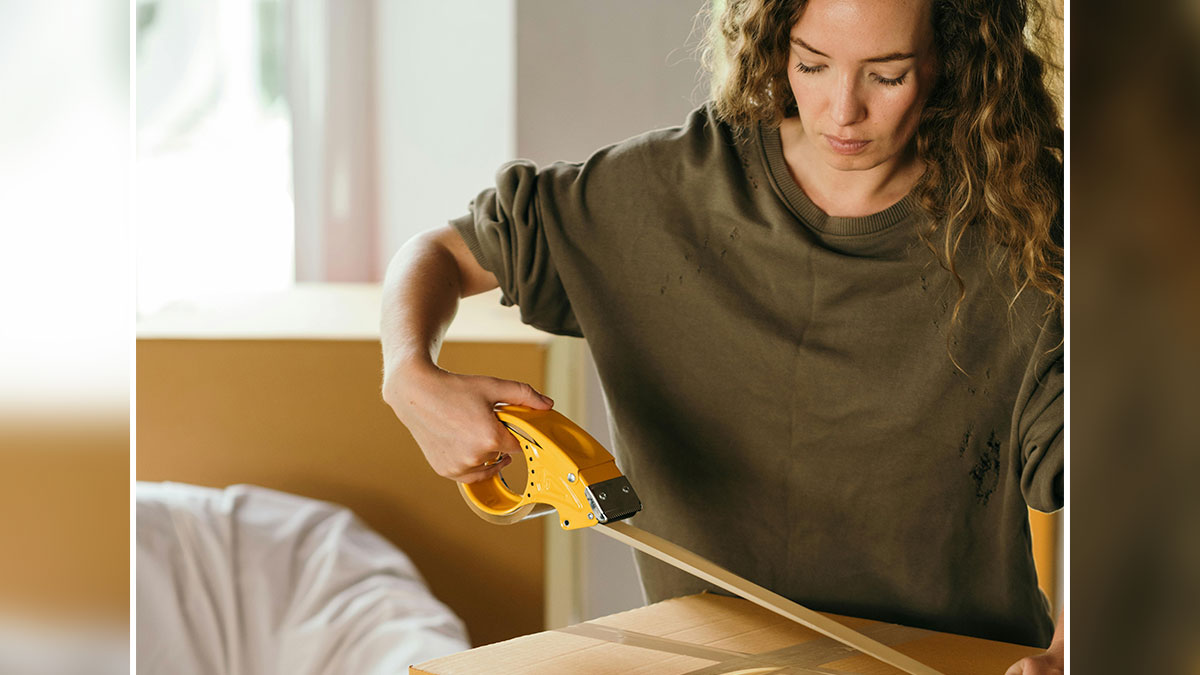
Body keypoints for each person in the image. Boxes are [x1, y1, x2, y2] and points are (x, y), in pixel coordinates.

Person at [380, 0, 1064, 672]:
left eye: (887, 74)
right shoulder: (665, 191)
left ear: (955, 57)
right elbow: (441, 251)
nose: (843, 110)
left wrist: (1076, 644)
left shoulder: (1033, 233)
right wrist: (409, 373)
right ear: (777, 42)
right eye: (813, 64)